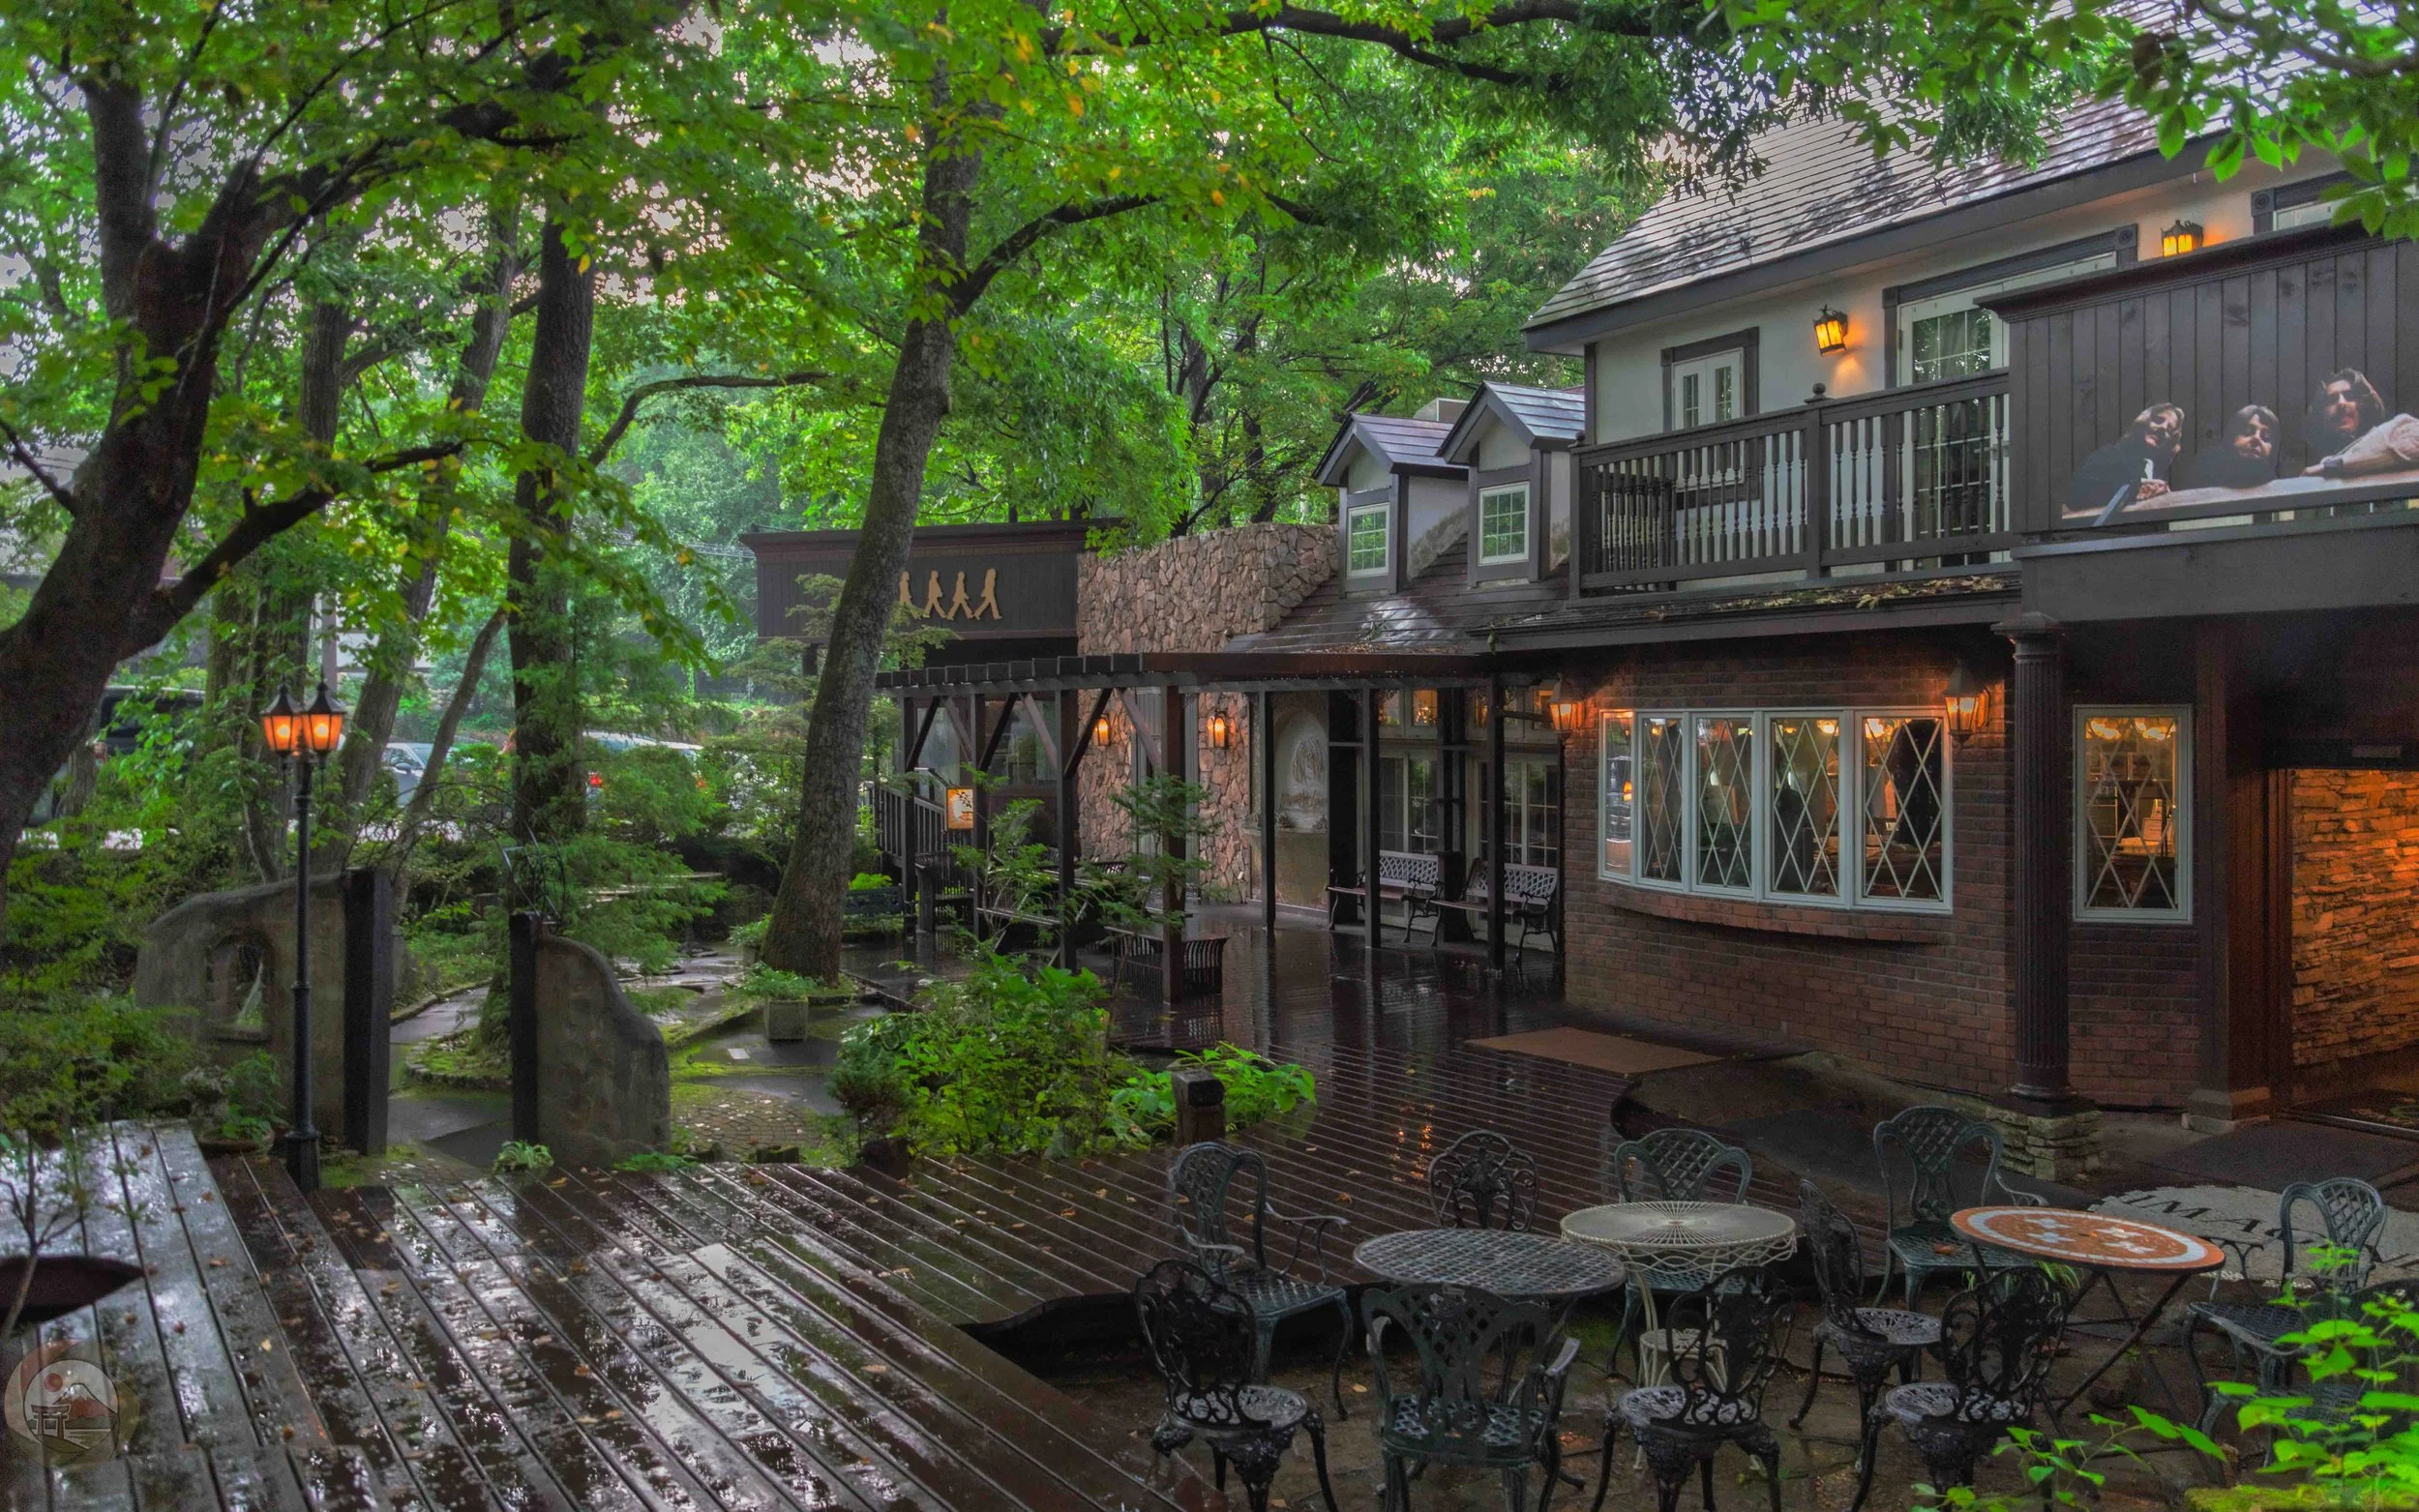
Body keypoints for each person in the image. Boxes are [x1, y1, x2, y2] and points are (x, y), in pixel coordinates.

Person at [2070, 402, 2184, 521]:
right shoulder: (2109, 454)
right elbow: (2078, 493)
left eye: (2170, 429)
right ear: (2144, 422)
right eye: (2158, 420)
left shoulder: (2160, 476)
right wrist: (2134, 489)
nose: (2163, 428)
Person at [2175, 404, 2281, 490]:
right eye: (2247, 432)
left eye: (2266, 438)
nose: (2257, 438)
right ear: (2231, 436)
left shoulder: (2277, 486)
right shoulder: (2205, 464)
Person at [2302, 368, 2389, 463]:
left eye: (2350, 397)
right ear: (2321, 415)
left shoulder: (2387, 442)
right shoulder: (2306, 459)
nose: (2341, 403)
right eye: (2332, 400)